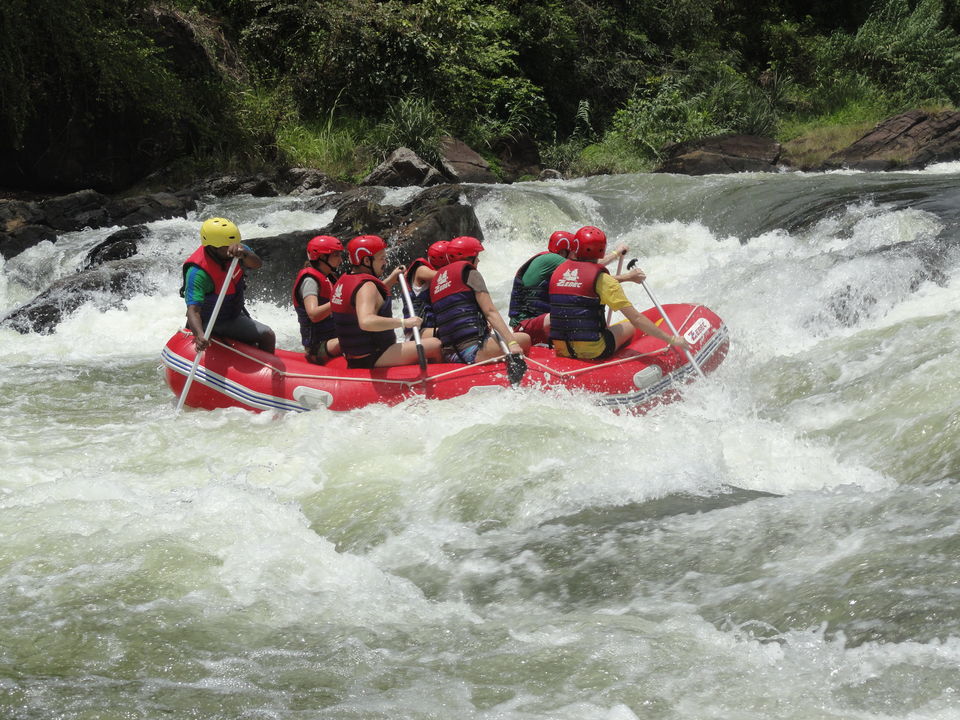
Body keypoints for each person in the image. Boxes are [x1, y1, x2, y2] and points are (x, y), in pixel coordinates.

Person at [548, 225, 692, 360]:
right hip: (594, 351)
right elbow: (636, 319)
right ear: (601, 250)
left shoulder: (557, 272)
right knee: (631, 325)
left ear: (575, 247)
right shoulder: (604, 280)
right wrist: (672, 339)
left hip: (561, 349)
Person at [331, 234, 443, 369]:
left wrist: (391, 279)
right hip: (373, 356)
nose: (385, 262)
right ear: (366, 261)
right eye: (382, 258)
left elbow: (370, 298)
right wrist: (404, 322)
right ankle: (438, 380)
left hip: (356, 354)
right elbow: (366, 322)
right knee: (436, 345)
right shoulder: (367, 286)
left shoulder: (344, 281)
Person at [508, 230, 630, 346]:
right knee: (570, 313)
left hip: (531, 324)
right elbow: (591, 271)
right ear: (563, 252)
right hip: (526, 326)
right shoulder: (551, 259)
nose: (577, 256)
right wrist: (624, 268)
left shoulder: (549, 262)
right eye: (574, 252)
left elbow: (590, 273)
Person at [429, 235, 531, 364]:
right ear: (470, 257)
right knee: (524, 339)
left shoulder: (436, 282)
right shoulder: (471, 273)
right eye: (477, 257)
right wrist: (512, 343)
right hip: (472, 352)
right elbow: (490, 311)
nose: (478, 261)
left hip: (449, 355)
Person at [181, 217, 276, 354]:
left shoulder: (238, 250)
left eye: (234, 243)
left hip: (233, 314)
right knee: (267, 335)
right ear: (212, 247)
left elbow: (257, 264)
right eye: (226, 246)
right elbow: (193, 310)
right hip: (210, 322)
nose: (232, 248)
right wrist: (199, 335)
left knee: (266, 336)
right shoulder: (197, 273)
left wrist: (245, 253)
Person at [292, 235, 344, 364]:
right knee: (357, 340)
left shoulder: (330, 277)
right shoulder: (310, 281)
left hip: (332, 339)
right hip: (317, 347)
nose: (341, 260)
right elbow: (313, 314)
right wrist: (338, 301)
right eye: (336, 255)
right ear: (322, 257)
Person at [401, 240, 449, 340]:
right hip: (417, 334)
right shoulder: (421, 270)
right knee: (456, 331)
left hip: (430, 330)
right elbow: (447, 275)